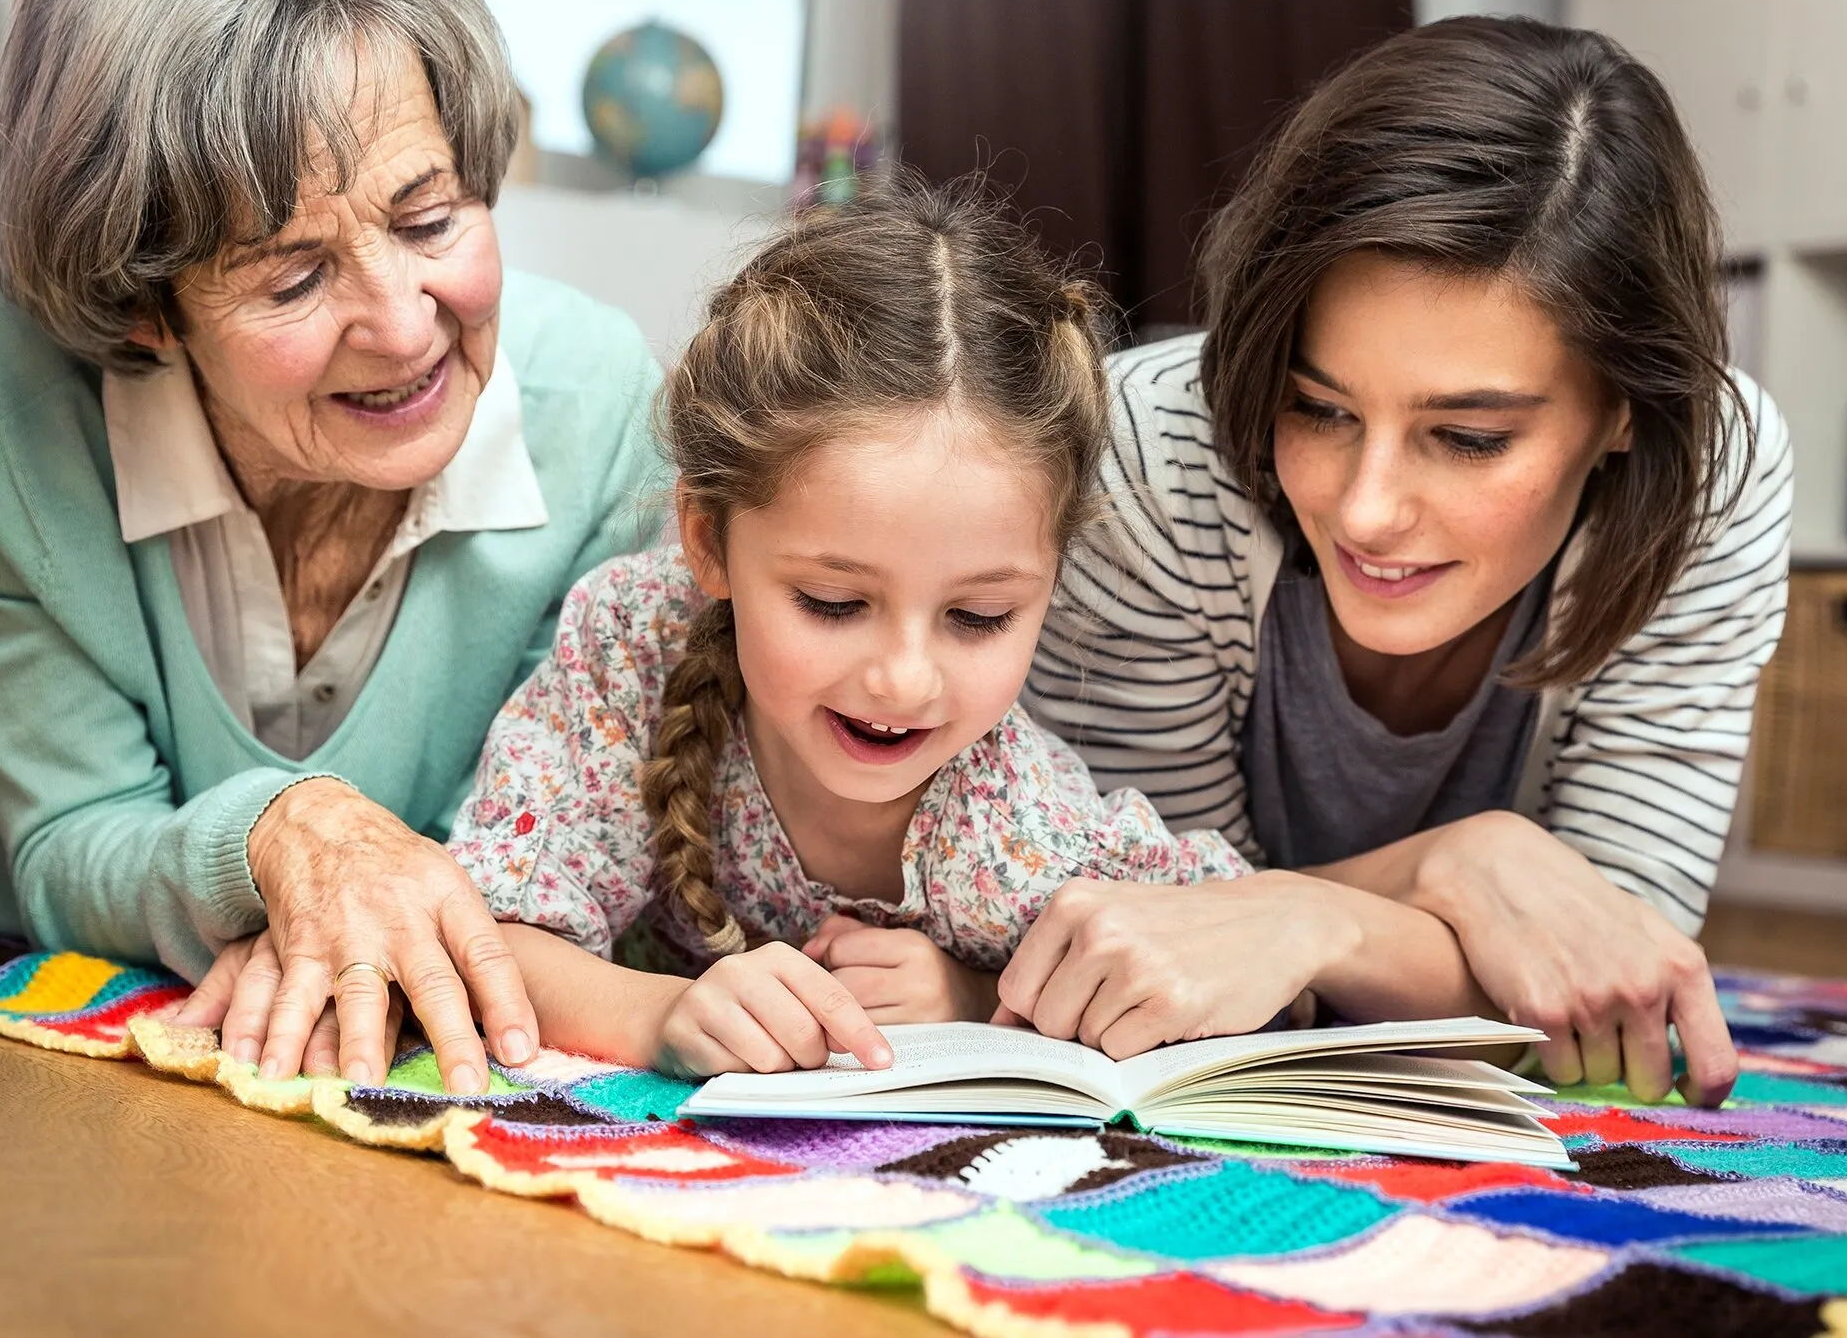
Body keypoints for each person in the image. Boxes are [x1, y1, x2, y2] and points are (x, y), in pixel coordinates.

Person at [441, 178, 1514, 1080]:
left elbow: (1234, 985)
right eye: (832, 602)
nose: (903, 679)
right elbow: (488, 931)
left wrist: (974, 990)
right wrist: (654, 1018)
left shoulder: (1015, 822)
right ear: (709, 542)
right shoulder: (634, 643)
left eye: (978, 617)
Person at [0, 0, 662, 1095]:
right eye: (295, 276)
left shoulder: (604, 407)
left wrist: (345, 901)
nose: (403, 322)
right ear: (144, 304)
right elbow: (72, 835)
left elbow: (509, 870)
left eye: (429, 219)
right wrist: (283, 833)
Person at [1013, 17, 1791, 1107]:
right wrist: (1451, 874)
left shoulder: (1712, 470)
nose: (1368, 510)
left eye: (1468, 438)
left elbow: (1604, 972)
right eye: (1317, 407)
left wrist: (1318, 917)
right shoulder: (1149, 451)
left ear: (1622, 410)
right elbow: (1147, 935)